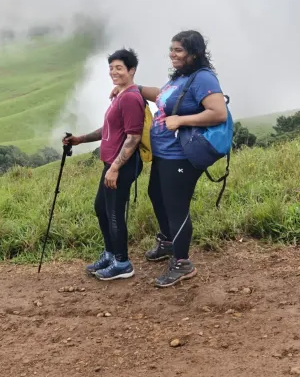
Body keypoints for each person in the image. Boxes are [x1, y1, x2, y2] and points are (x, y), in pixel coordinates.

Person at [110, 30, 227, 287]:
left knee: (176, 206)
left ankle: (183, 263)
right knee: (157, 195)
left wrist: (181, 120)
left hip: (182, 155)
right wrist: (131, 88)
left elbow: (218, 112)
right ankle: (168, 242)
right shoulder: (181, 77)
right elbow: (161, 95)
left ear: (194, 53)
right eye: (171, 49)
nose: (172, 55)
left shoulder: (203, 78)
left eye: (179, 50)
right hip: (165, 153)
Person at [62, 48, 145, 281]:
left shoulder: (130, 98)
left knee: (115, 213)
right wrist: (80, 139)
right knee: (102, 209)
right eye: (111, 68)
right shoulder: (120, 95)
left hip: (122, 166)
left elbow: (133, 137)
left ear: (131, 70)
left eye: (119, 68)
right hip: (111, 163)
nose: (113, 72)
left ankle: (123, 263)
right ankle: (111, 254)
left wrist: (116, 168)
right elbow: (108, 130)